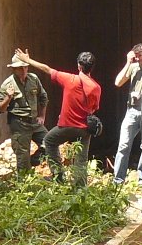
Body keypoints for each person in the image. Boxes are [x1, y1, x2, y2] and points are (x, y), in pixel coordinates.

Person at [14, 47, 101, 188]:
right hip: (85, 128)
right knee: (81, 159)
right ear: (92, 68)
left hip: (66, 125)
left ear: (79, 66)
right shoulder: (96, 87)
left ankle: (59, 177)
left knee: (49, 141)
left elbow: (47, 69)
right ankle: (80, 189)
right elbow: (93, 109)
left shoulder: (69, 79)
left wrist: (27, 60)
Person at [0, 53, 48, 174]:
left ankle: (33, 161)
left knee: (49, 143)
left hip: (35, 122)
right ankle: (23, 186)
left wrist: (42, 116)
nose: (24, 70)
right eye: (20, 68)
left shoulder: (33, 79)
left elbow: (43, 97)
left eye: (25, 67)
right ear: (14, 69)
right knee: (22, 160)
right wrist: (8, 97)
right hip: (19, 125)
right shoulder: (7, 84)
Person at [111, 43, 142, 184]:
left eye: (140, 56)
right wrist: (128, 63)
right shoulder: (133, 67)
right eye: (135, 56)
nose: (138, 59)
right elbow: (118, 82)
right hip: (132, 109)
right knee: (123, 144)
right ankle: (118, 179)